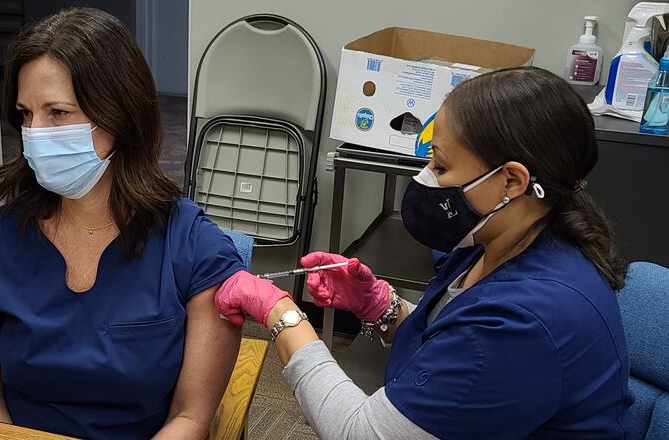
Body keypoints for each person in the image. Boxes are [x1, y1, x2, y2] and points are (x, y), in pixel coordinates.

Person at [215, 67, 635, 439]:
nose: (425, 179)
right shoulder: (503, 240)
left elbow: (359, 432)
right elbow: (454, 336)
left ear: (511, 181)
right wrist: (382, 307)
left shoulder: (526, 323)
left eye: (441, 166)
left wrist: (281, 314)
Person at [0, 8, 245, 439]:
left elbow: (190, 416)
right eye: (25, 114)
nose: (35, 133)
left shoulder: (192, 248)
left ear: (119, 113)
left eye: (58, 113)